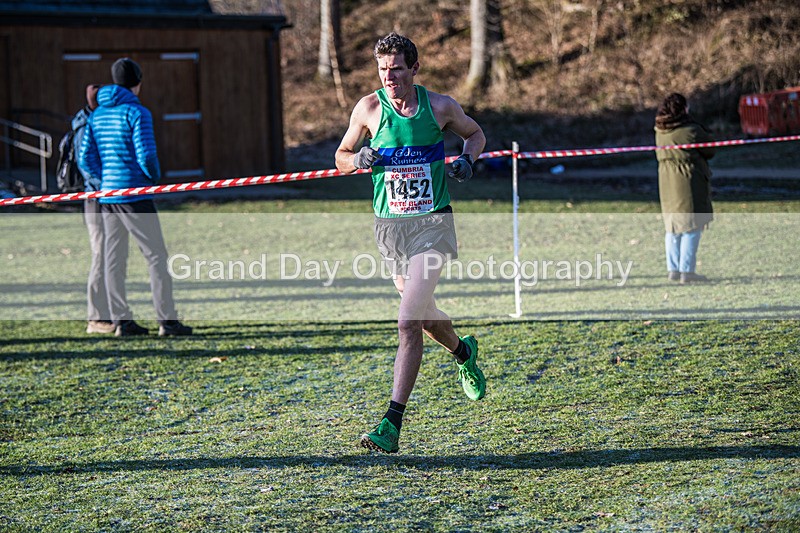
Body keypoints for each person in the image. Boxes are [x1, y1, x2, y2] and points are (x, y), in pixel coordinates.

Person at [335, 32, 487, 453]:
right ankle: (462, 351)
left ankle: (391, 423)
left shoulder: (439, 106)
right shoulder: (368, 109)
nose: (390, 78)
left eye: (397, 69)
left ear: (415, 69)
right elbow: (341, 155)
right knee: (418, 315)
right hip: (390, 228)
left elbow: (475, 134)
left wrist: (466, 160)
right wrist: (357, 160)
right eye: (383, 70)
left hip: (432, 223)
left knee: (406, 320)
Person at [77, 57, 192, 337]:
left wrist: (105, 181)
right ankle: (167, 321)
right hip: (134, 193)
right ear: (137, 83)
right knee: (156, 256)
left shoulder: (97, 114)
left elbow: (85, 158)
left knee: (114, 258)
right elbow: (147, 155)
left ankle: (122, 321)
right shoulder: (137, 113)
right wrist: (150, 179)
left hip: (108, 196)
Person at [654, 92, 715, 284]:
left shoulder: (659, 130)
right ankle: (687, 271)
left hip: (666, 183)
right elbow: (710, 150)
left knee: (672, 227)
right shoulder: (691, 131)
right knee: (692, 226)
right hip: (689, 182)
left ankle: (673, 268)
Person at [72, 84, 115, 334]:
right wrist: (107, 187)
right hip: (96, 199)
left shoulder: (95, 122)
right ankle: (96, 317)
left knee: (110, 255)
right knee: (100, 254)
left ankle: (110, 312)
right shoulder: (86, 126)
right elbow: (86, 164)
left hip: (104, 197)